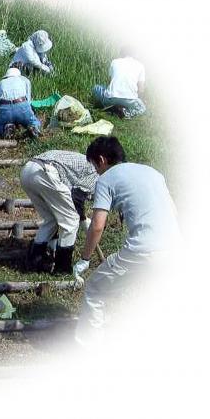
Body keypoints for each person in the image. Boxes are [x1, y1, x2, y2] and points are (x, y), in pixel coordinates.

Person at [73, 136, 180, 346]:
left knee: (95, 289)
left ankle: (87, 349)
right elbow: (174, 212)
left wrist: (85, 258)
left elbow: (97, 225)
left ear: (101, 160)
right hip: (176, 247)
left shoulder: (106, 179)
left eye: (95, 166)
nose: (96, 171)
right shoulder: (153, 172)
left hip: (144, 250)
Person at [20, 150, 98, 273]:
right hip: (46, 173)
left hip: (28, 170)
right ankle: (62, 270)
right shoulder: (96, 173)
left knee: (51, 219)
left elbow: (76, 200)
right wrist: (83, 220)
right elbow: (77, 199)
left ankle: (34, 262)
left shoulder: (87, 163)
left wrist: (82, 217)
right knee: (71, 222)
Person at [92, 47, 146, 119]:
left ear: (122, 53)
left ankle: (110, 107)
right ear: (135, 54)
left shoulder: (114, 62)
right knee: (143, 108)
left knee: (96, 88)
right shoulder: (140, 65)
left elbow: (110, 82)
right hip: (129, 100)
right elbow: (141, 89)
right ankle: (126, 112)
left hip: (111, 98)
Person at [0, 67, 42, 138]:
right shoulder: (24, 80)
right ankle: (34, 128)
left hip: (5, 108)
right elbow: (28, 101)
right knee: (33, 121)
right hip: (22, 106)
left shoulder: (1, 83)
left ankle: (6, 128)